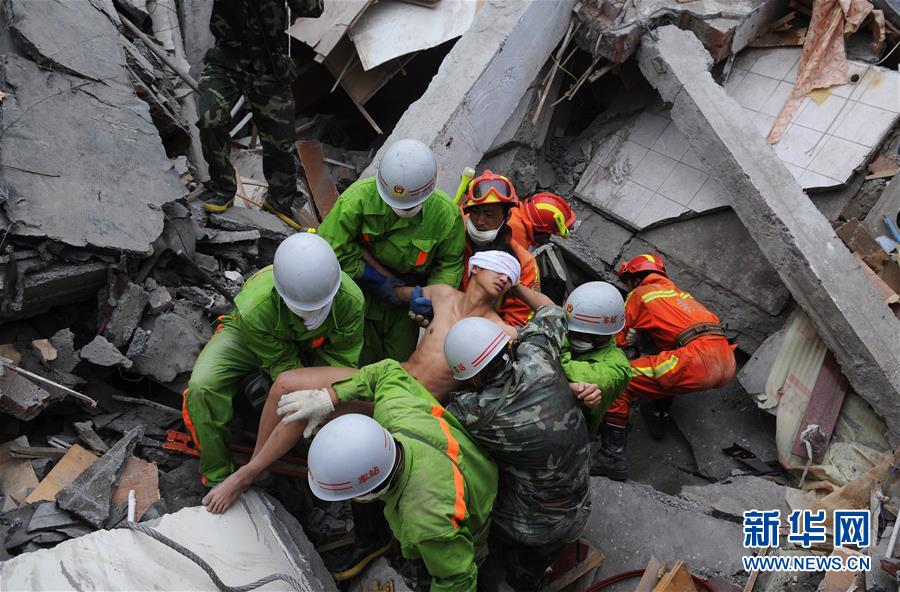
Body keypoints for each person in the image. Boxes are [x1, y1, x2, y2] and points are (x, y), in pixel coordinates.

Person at [199, 251, 520, 513]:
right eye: (500, 268)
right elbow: (392, 292)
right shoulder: (444, 295)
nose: (506, 276)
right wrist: (390, 285)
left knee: (314, 398)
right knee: (284, 383)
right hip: (389, 374)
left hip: (413, 401)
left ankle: (245, 475)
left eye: (513, 276)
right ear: (475, 268)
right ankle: (259, 463)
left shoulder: (501, 331)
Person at [182, 233, 364, 487]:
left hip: (312, 347)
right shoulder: (255, 306)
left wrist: (322, 402)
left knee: (331, 403)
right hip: (250, 336)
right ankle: (218, 475)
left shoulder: (351, 302)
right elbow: (282, 368)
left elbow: (341, 365)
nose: (311, 313)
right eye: (304, 309)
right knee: (203, 387)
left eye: (319, 308)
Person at [441, 304, 592, 591]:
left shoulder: (475, 413)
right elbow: (553, 312)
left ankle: (517, 576)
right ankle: (529, 575)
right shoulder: (539, 356)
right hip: (579, 497)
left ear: (473, 378)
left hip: (537, 525)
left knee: (479, 500)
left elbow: (438, 416)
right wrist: (520, 335)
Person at [307, 406, 496, 592]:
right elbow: (385, 374)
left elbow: (456, 579)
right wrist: (329, 398)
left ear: (368, 492)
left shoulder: (424, 522)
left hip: (471, 529)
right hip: (478, 478)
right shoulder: (396, 410)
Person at [318, 139, 465, 364]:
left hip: (405, 306)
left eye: (409, 206)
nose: (402, 210)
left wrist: (431, 298)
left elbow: (449, 264)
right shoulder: (357, 200)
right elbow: (329, 252)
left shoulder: (445, 217)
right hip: (357, 293)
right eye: (395, 205)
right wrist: (374, 279)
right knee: (354, 362)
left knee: (398, 367)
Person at [595, 253, 737, 481]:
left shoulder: (640, 294)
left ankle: (612, 457)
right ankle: (657, 414)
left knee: (617, 381)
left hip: (693, 360)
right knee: (662, 365)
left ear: (634, 278)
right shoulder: (681, 295)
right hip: (725, 361)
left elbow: (618, 340)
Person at [196, 0, 322, 228]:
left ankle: (279, 202)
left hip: (270, 65)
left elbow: (314, 9)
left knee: (281, 141)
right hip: (227, 59)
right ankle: (223, 187)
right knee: (210, 119)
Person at [460, 170, 539, 327]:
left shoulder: (523, 263)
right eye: (475, 212)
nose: (480, 221)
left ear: (507, 216)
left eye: (489, 214)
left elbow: (517, 318)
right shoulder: (455, 234)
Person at [507, 192, 576, 251]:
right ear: (541, 229)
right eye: (548, 234)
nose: (548, 237)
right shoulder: (519, 243)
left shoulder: (512, 208)